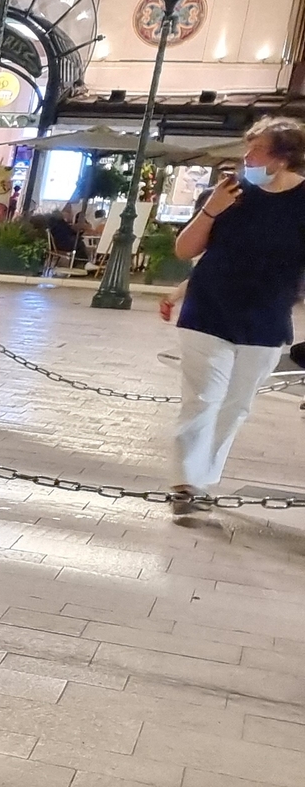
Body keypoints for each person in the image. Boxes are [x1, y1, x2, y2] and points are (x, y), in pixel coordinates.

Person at [155, 117, 305, 505]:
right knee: (203, 398)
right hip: (208, 311)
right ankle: (186, 482)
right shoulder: (229, 193)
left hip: (267, 320)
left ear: (283, 158)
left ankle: (203, 477)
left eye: (256, 151)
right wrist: (210, 210)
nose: (247, 158)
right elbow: (187, 251)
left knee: (237, 405)